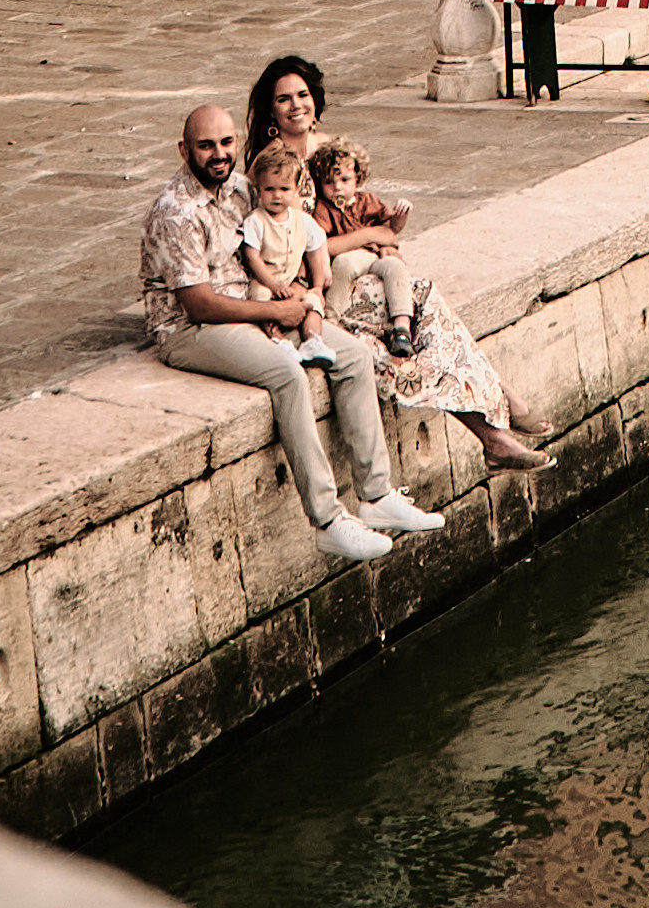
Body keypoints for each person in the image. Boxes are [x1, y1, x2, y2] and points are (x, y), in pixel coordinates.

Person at [139, 103, 444, 563]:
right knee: (287, 373)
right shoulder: (175, 213)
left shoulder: (243, 190)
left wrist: (299, 296)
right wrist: (279, 310)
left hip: (258, 304)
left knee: (354, 357)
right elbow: (198, 303)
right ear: (184, 150)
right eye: (205, 146)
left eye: (226, 143)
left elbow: (293, 240)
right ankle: (326, 519)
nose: (218, 154)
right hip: (193, 327)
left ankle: (377, 497)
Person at [243, 54, 555, 471]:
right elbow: (294, 245)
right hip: (312, 284)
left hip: (358, 270)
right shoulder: (271, 167)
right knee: (396, 349)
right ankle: (498, 423)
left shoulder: (330, 149)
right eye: (284, 99)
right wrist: (373, 238)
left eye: (303, 95)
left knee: (423, 303)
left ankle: (497, 420)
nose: (296, 105)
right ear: (271, 109)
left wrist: (385, 246)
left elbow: (360, 212)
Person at [309, 134, 417, 358]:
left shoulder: (367, 201)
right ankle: (331, 317)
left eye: (345, 181)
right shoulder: (324, 209)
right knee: (344, 263)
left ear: (357, 179)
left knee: (395, 267)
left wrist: (401, 216)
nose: (337, 188)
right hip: (351, 256)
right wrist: (368, 237)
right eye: (329, 182)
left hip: (374, 256)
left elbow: (389, 230)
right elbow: (323, 244)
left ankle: (402, 325)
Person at [239, 139, 338, 365]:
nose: (277, 196)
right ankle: (278, 339)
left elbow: (314, 252)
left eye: (284, 189)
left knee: (313, 302)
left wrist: (318, 286)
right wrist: (272, 284)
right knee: (261, 300)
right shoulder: (256, 221)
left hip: (292, 281)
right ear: (259, 190)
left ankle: (313, 340)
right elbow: (252, 257)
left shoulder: (303, 221)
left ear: (296, 189)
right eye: (269, 189)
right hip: (265, 280)